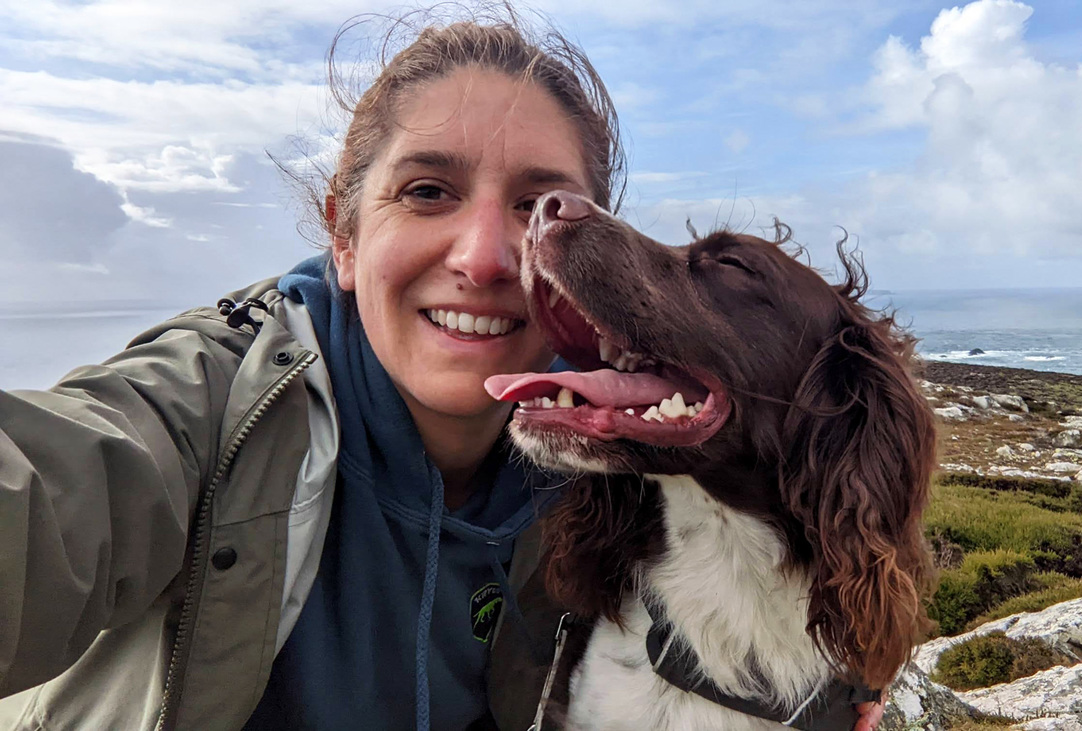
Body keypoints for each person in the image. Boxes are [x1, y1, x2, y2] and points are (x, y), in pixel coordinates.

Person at [0, 7, 886, 730]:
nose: (489, 257)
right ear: (344, 236)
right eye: (428, 191)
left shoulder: (602, 468)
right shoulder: (207, 406)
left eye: (541, 206)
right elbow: (49, 493)